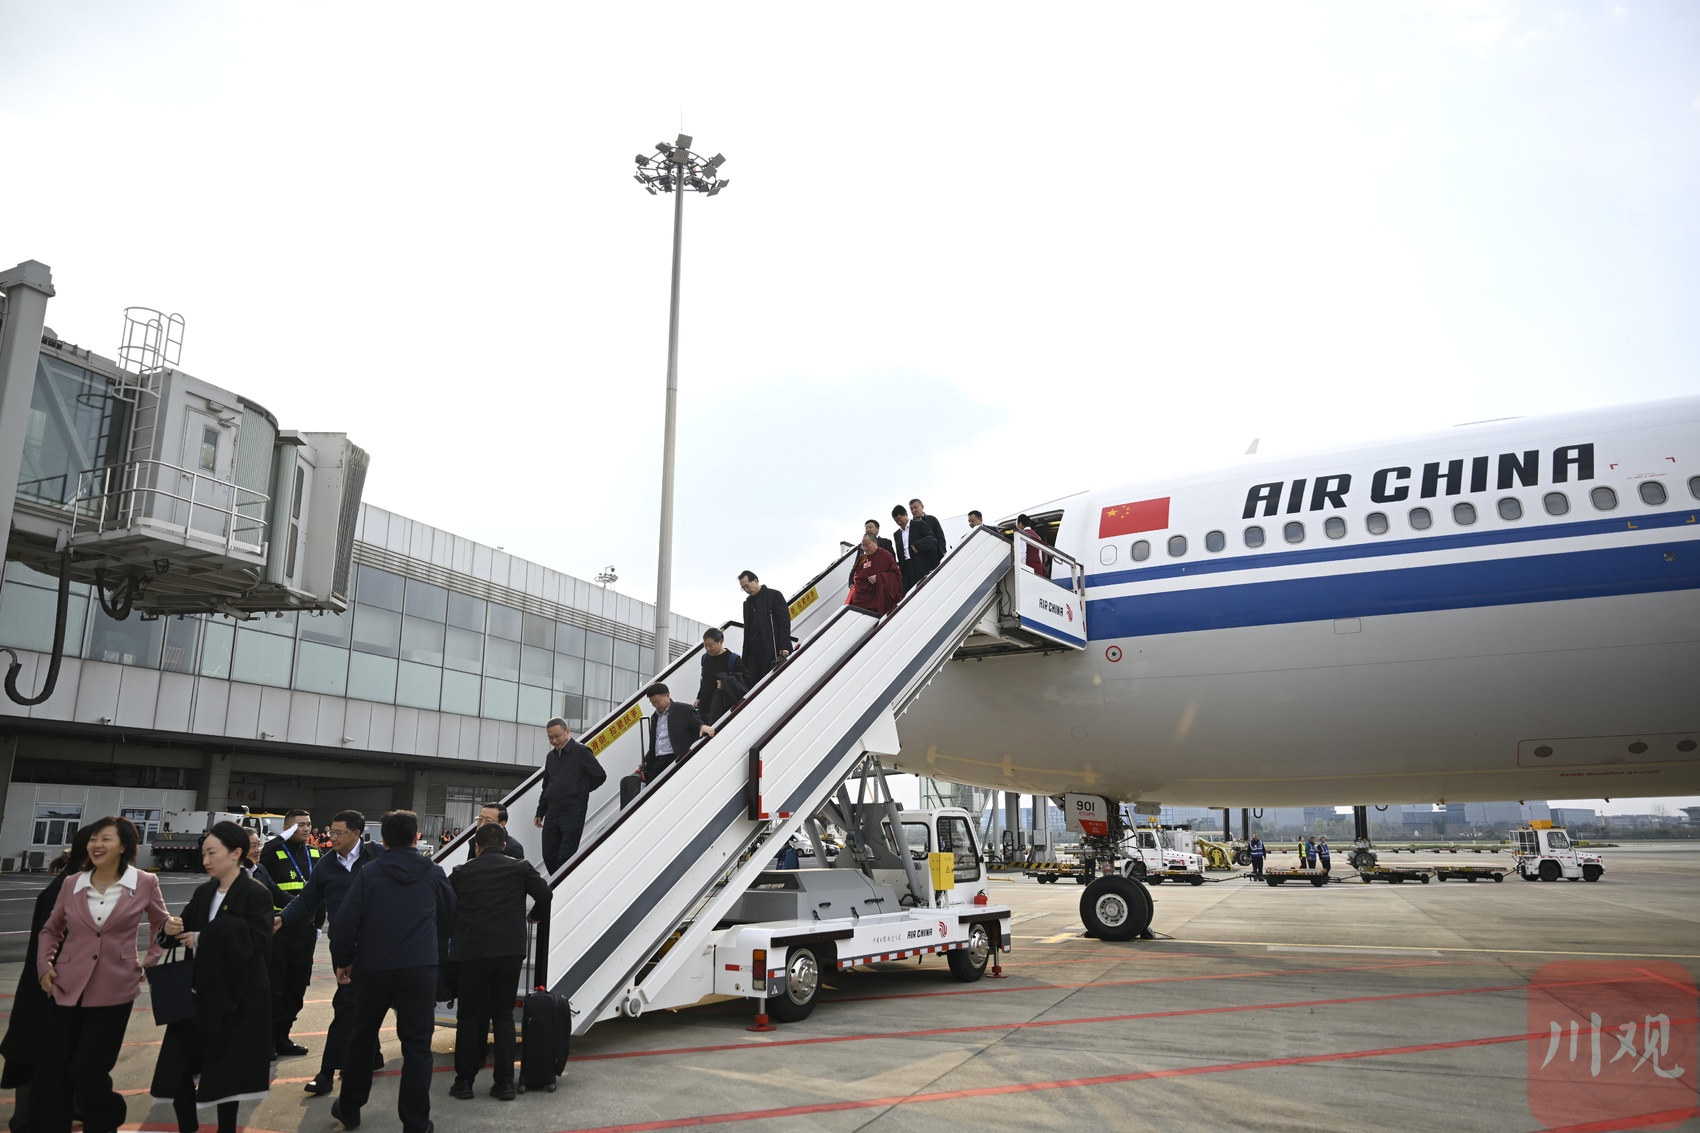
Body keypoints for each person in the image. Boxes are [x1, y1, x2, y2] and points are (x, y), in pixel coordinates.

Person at [34, 816, 168, 1133]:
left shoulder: (144, 882)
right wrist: (44, 966)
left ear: (123, 846)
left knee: (88, 1069)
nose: (97, 844)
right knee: (56, 1067)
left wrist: (151, 960)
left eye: (106, 839)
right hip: (66, 985)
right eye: (94, 839)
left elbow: (160, 922)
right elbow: (51, 929)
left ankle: (106, 1118)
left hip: (115, 986)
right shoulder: (72, 883)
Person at [331, 810, 455, 1133]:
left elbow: (344, 923)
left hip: (374, 967)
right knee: (417, 1046)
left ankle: (350, 1108)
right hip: (419, 968)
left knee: (362, 1036)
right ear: (416, 838)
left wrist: (344, 959)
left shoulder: (369, 873)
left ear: (383, 840)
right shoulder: (433, 873)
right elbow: (449, 915)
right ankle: (416, 1123)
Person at [150, 821, 274, 1133]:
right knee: (176, 1066)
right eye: (203, 853)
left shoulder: (255, 893)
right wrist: (169, 928)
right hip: (197, 994)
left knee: (226, 1073)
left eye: (212, 853)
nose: (205, 860)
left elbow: (258, 941)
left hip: (236, 997)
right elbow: (183, 929)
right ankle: (187, 1125)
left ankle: (226, 1129)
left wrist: (204, 939)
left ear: (236, 853)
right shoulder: (204, 891)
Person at [278, 811, 383, 1097]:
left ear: (356, 834)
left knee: (349, 1004)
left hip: (377, 945)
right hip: (344, 946)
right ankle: (370, 1056)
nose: (331, 837)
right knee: (354, 1003)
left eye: (338, 833)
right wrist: (282, 919)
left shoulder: (376, 857)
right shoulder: (326, 864)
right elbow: (308, 899)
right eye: (331, 832)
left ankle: (327, 1072)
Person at [447, 823, 551, 1101]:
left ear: (477, 847)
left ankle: (464, 1082)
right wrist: (535, 915)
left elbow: (444, 903)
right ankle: (504, 1084)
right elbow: (545, 894)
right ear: (504, 845)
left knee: (469, 1017)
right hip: (509, 952)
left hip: (472, 952)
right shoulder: (520, 868)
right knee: (503, 1015)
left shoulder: (462, 872)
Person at [2, 826, 92, 1133]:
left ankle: (71, 1107)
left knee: (49, 1053)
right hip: (51, 990)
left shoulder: (73, 881)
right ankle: (28, 1120)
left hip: (51, 990)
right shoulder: (70, 887)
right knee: (41, 1054)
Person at [259, 809, 322, 1058]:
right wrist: (280, 838)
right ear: (287, 828)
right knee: (275, 987)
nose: (306, 829)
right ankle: (267, 1040)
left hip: (306, 931)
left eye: (308, 824)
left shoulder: (315, 853)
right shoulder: (274, 852)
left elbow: (322, 893)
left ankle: (283, 1037)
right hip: (279, 930)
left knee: (296, 988)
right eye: (300, 825)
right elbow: (261, 859)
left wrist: (318, 925)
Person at [533, 717, 607, 872]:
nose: (554, 741)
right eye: (550, 737)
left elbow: (600, 775)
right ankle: (557, 883)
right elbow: (547, 786)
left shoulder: (581, 752)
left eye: (557, 736)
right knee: (549, 855)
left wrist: (579, 790)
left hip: (572, 812)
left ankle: (563, 884)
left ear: (567, 731)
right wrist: (540, 811)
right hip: (552, 812)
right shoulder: (551, 757)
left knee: (566, 856)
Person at [640, 684, 715, 783]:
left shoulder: (684, 709)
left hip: (675, 759)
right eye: (652, 703)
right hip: (657, 764)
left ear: (668, 695)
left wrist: (703, 727)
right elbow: (656, 742)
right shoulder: (654, 717)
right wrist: (646, 760)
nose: (656, 706)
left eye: (657, 702)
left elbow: (696, 723)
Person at [738, 571, 791, 682]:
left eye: (747, 586)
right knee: (751, 684)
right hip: (753, 653)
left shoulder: (774, 596)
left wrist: (784, 646)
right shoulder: (747, 604)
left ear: (756, 580)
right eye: (743, 588)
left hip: (770, 649)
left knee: (771, 682)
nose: (746, 590)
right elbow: (747, 631)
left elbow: (784, 622)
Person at [694, 627, 746, 721]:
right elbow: (704, 680)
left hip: (721, 708)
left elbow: (743, 683)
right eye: (705, 645)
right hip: (703, 707)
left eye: (710, 645)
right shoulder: (705, 658)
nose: (707, 649)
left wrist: (726, 684)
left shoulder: (733, 660)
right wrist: (699, 697)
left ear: (721, 642)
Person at [846, 532, 903, 616]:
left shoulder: (885, 556)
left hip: (876, 600)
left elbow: (896, 576)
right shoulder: (862, 558)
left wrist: (879, 578)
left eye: (867, 545)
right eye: (863, 546)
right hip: (860, 599)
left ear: (875, 542)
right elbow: (856, 574)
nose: (865, 548)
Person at [890, 505, 939, 589]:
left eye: (899, 519)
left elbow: (931, 539)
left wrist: (918, 546)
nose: (898, 522)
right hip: (906, 569)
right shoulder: (896, 534)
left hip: (920, 563)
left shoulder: (919, 524)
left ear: (906, 514)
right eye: (896, 521)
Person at [846, 520, 894, 585]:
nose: (868, 529)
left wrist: (879, 577)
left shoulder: (885, 542)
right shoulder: (860, 546)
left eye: (870, 527)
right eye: (866, 528)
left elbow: (891, 562)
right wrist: (851, 581)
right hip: (864, 582)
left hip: (880, 582)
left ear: (878, 529)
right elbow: (856, 564)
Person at [909, 499, 947, 566]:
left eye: (915, 507)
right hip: (921, 562)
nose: (913, 510)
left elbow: (940, 537)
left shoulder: (932, 519)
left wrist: (942, 552)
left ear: (922, 507)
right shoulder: (910, 526)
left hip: (936, 557)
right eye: (911, 509)